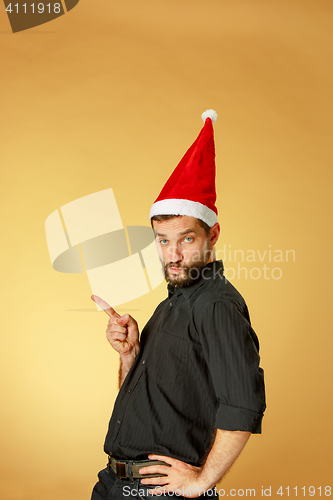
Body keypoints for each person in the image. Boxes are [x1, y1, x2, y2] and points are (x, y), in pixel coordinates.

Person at [90, 110, 266, 500]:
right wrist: (130, 355)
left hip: (157, 494)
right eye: (162, 240)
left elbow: (243, 407)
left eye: (186, 239)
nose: (173, 254)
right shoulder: (173, 302)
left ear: (212, 233)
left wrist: (202, 483)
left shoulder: (216, 305)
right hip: (114, 483)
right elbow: (151, 400)